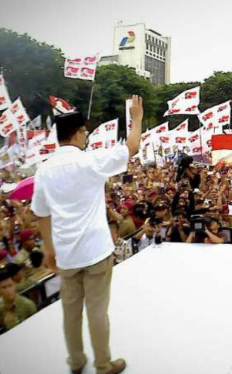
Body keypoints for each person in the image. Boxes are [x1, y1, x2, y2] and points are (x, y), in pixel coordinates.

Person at [31, 95, 144, 374]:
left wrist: (48, 248)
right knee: (96, 311)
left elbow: (41, 213)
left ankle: (76, 362)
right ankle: (103, 364)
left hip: (66, 253)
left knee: (70, 312)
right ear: (79, 133)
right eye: (85, 132)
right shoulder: (90, 161)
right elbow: (132, 147)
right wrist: (137, 117)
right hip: (95, 250)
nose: (86, 137)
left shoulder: (43, 170)